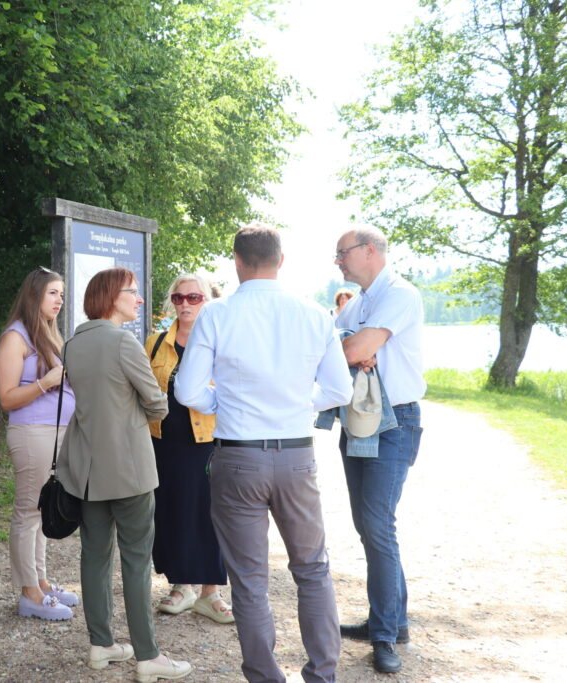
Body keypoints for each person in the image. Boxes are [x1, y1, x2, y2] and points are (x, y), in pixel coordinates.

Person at [175, 223, 352, 683]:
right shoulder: (314, 314)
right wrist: (297, 403)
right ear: (281, 261)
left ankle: (265, 677)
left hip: (238, 457)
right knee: (312, 570)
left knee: (250, 579)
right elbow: (340, 390)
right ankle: (322, 675)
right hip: (296, 456)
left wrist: (224, 403)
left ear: (237, 261)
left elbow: (188, 390)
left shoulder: (216, 315)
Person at [56, 267, 193, 683]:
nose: (139, 298)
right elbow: (157, 403)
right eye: (133, 291)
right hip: (129, 468)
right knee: (135, 560)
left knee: (94, 556)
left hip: (87, 469)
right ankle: (148, 656)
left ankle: (101, 644)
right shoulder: (123, 342)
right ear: (112, 295)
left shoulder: (73, 342)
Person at [332, 227, 425, 674]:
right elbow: (337, 347)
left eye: (342, 252)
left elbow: (354, 349)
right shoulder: (358, 302)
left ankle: (385, 634)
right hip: (360, 419)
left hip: (394, 422)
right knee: (369, 526)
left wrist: (357, 347)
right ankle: (392, 621)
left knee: (377, 524)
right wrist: (351, 347)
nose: (337, 260)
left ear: (369, 250)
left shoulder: (400, 294)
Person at [144, 275, 231, 624]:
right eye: (179, 297)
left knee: (211, 515)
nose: (185, 304)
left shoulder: (222, 340)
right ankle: (182, 586)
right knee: (172, 512)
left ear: (207, 300)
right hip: (164, 443)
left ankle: (211, 592)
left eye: (194, 297)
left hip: (208, 442)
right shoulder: (154, 343)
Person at [0, 267, 79, 621]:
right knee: (28, 511)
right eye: (52, 293)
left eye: (62, 294)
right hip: (32, 433)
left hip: (57, 432)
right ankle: (29, 593)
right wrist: (46, 382)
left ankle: (41, 583)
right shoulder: (15, 337)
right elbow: (7, 397)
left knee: (43, 509)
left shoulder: (49, 335)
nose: (60, 300)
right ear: (34, 296)